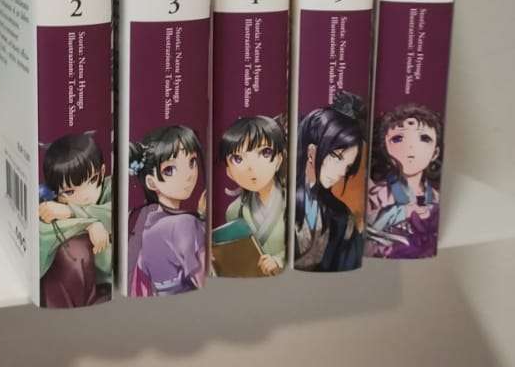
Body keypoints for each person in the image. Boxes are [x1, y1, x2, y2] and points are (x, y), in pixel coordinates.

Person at [127, 124, 208, 296]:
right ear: (151, 182)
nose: (188, 174)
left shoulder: (145, 219)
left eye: (192, 162)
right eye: (170, 170)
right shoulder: (185, 223)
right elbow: (201, 278)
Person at [37, 132, 112, 307]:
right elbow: (43, 233)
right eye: (70, 191)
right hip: (79, 288)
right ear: (56, 193)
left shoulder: (111, 187)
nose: (85, 195)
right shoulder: (52, 206)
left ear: (102, 172)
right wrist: (90, 224)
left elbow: (113, 213)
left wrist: (71, 211)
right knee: (71, 251)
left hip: (113, 279)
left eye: (92, 180)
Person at [294, 92, 366, 272]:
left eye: (348, 166)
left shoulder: (341, 216)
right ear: (311, 150)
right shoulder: (282, 197)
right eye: (337, 157)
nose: (342, 172)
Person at [365, 105, 442, 258]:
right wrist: (402, 212)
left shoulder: (435, 197)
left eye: (424, 138)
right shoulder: (378, 194)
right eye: (398, 139)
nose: (410, 147)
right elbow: (368, 230)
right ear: (386, 148)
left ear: (435, 152)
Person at [216, 114, 287, 275]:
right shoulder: (234, 210)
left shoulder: (295, 201)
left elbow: (307, 245)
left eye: (265, 152)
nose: (251, 166)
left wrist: (279, 260)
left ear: (278, 160)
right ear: (229, 172)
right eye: (238, 159)